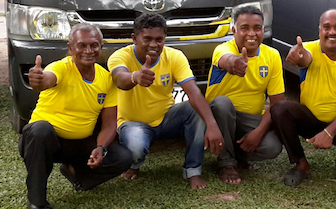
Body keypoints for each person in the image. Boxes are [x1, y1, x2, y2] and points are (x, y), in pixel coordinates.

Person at [19, 24, 132, 209]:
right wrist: (38, 81)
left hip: (79, 144)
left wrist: (100, 148)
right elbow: (47, 78)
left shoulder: (106, 79)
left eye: (94, 45)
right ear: (70, 48)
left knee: (123, 157)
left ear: (101, 47)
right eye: (81, 45)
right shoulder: (61, 67)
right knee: (40, 130)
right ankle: (36, 202)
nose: (88, 50)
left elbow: (110, 123)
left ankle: (76, 174)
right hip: (44, 142)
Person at [107, 13, 224, 189]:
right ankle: (135, 165)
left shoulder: (175, 56)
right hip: (133, 123)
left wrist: (212, 125)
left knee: (196, 109)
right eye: (147, 39)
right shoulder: (120, 56)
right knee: (135, 148)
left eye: (159, 39)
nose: (153, 45)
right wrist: (135, 77)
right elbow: (119, 79)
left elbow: (193, 92)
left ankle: (193, 170)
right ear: (134, 38)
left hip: (167, 118)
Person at [270, 9, 336, 187]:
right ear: (319, 31)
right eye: (326, 27)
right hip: (310, 119)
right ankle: (301, 164)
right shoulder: (308, 49)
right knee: (279, 109)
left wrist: (329, 132)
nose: (332, 32)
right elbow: (303, 57)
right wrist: (296, 55)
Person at [205, 6, 284, 184]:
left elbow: (277, 103)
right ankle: (226, 164)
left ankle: (237, 154)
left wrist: (258, 133)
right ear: (234, 30)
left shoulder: (272, 56)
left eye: (257, 28)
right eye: (244, 28)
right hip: (219, 118)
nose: (251, 33)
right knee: (222, 104)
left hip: (250, 119)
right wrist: (235, 63)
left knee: (272, 147)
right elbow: (226, 60)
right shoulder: (222, 49)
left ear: (263, 30)